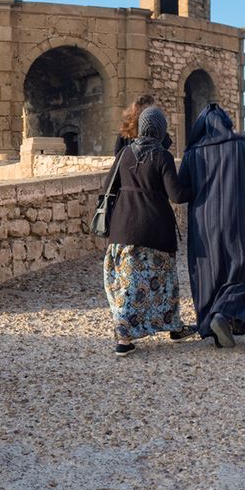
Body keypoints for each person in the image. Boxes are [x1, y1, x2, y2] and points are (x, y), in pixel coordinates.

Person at [179, 104, 245, 348]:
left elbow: (182, 189)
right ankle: (225, 315)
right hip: (240, 217)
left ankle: (216, 324)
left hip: (204, 223)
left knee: (211, 272)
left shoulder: (192, 153)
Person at [103, 106, 194, 356]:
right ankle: (173, 327)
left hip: (123, 228)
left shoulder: (124, 153)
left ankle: (124, 339)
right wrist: (199, 186)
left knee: (126, 285)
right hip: (155, 231)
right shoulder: (162, 156)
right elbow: (176, 195)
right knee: (163, 284)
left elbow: (106, 187)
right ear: (161, 130)